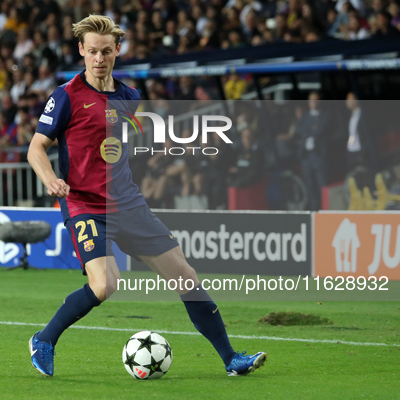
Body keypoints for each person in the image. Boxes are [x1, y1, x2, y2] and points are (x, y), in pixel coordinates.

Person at [26, 15, 266, 378]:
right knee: (105, 284)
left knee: (186, 276)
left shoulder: (129, 97)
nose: (99, 59)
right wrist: (51, 179)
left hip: (128, 203)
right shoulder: (65, 97)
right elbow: (36, 149)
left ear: (117, 51)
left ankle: (231, 359)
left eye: (106, 51)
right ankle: (44, 340)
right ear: (81, 51)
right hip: (85, 204)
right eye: (92, 51)